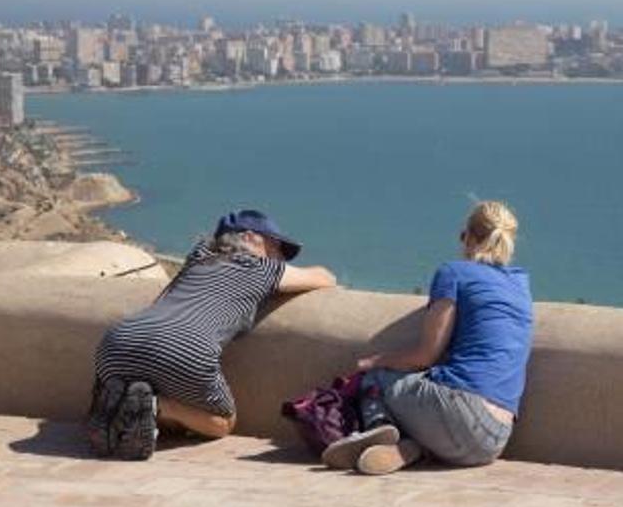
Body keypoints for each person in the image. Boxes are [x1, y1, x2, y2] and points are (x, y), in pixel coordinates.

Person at [88, 209, 337, 460]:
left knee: (129, 387)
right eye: (276, 246)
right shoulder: (262, 268)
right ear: (250, 237)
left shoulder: (199, 256)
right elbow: (325, 278)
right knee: (222, 422)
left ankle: (113, 408)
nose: (280, 257)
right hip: (186, 348)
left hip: (120, 339)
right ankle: (157, 405)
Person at [322, 200, 534, 475]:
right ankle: (412, 449)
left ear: (468, 237)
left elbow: (425, 356)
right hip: (494, 441)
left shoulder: (454, 273)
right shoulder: (520, 283)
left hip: (462, 414)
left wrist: (377, 360)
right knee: (435, 407)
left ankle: (377, 430)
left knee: (375, 378)